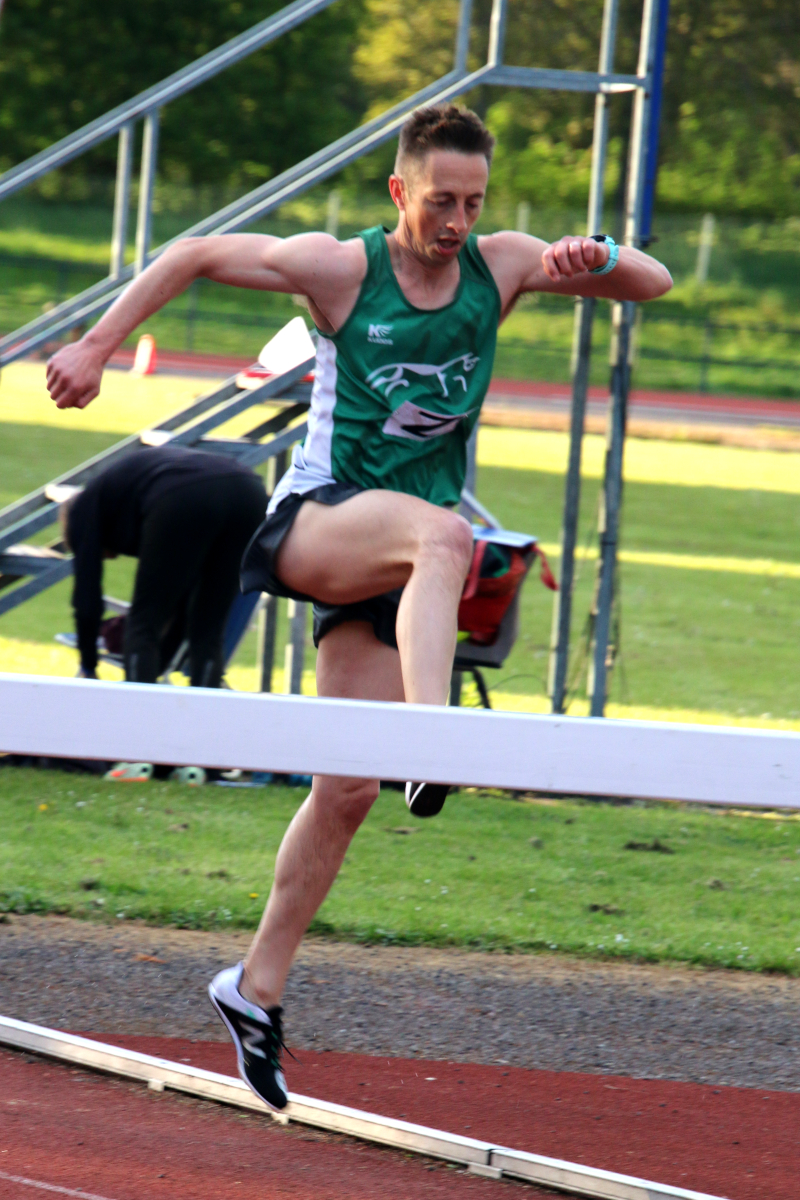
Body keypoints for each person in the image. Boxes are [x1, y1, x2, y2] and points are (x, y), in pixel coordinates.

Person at [47, 103, 672, 1110]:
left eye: (471, 203)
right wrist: (98, 345)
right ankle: (437, 743)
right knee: (445, 534)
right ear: (398, 193)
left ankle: (252, 989)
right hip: (322, 523)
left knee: (345, 790)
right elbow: (197, 252)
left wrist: (595, 249)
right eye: (438, 203)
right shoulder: (343, 270)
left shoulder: (501, 265)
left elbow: (651, 283)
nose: (455, 223)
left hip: (399, 567)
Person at [64, 445, 266, 689]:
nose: (112, 557)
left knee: (144, 621)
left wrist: (88, 666)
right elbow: (180, 602)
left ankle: (140, 715)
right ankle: (205, 716)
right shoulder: (121, 494)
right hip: (250, 493)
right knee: (209, 629)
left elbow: (87, 598)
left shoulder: (83, 511)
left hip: (184, 494)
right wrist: (157, 668)